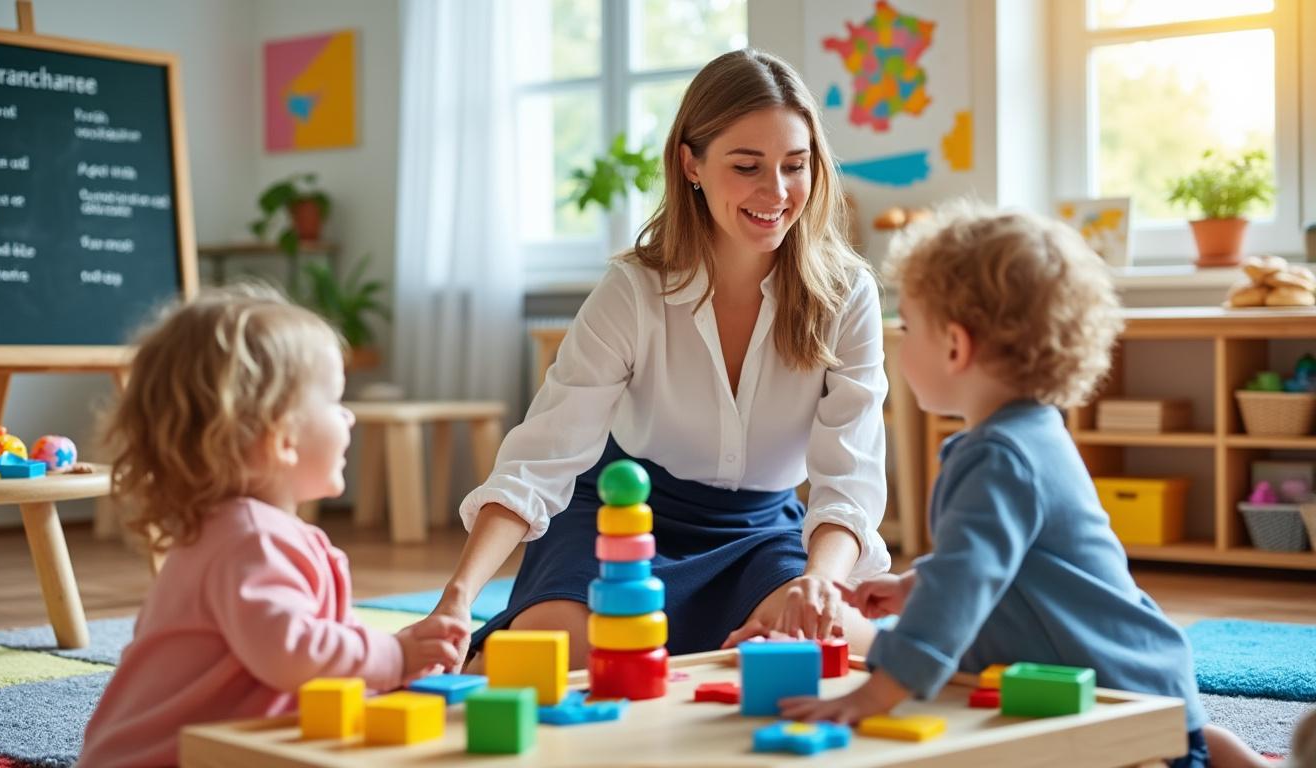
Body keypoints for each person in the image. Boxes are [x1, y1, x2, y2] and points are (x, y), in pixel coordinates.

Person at [415, 48, 892, 668]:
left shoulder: (847, 294)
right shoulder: (634, 290)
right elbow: (540, 457)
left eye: (794, 166)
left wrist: (819, 583)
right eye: (747, 166)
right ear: (692, 164)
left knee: (840, 649)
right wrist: (457, 599)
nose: (776, 192)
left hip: (759, 534)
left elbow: (849, 477)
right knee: (553, 658)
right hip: (618, 519)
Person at [780, 202, 1268, 768]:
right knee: (1192, 750)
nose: (900, 342)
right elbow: (1011, 562)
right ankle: (1210, 749)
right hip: (1137, 668)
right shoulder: (1032, 430)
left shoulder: (998, 457)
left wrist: (876, 692)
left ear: (956, 346)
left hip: (1109, 691)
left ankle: (1195, 752)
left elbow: (962, 589)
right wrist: (916, 585)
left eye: (909, 327)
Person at [77, 287, 465, 767]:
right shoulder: (251, 540)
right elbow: (293, 653)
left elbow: (316, 656)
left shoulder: (252, 531)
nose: (349, 417)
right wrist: (393, 655)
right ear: (281, 437)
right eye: (336, 400)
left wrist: (397, 664)